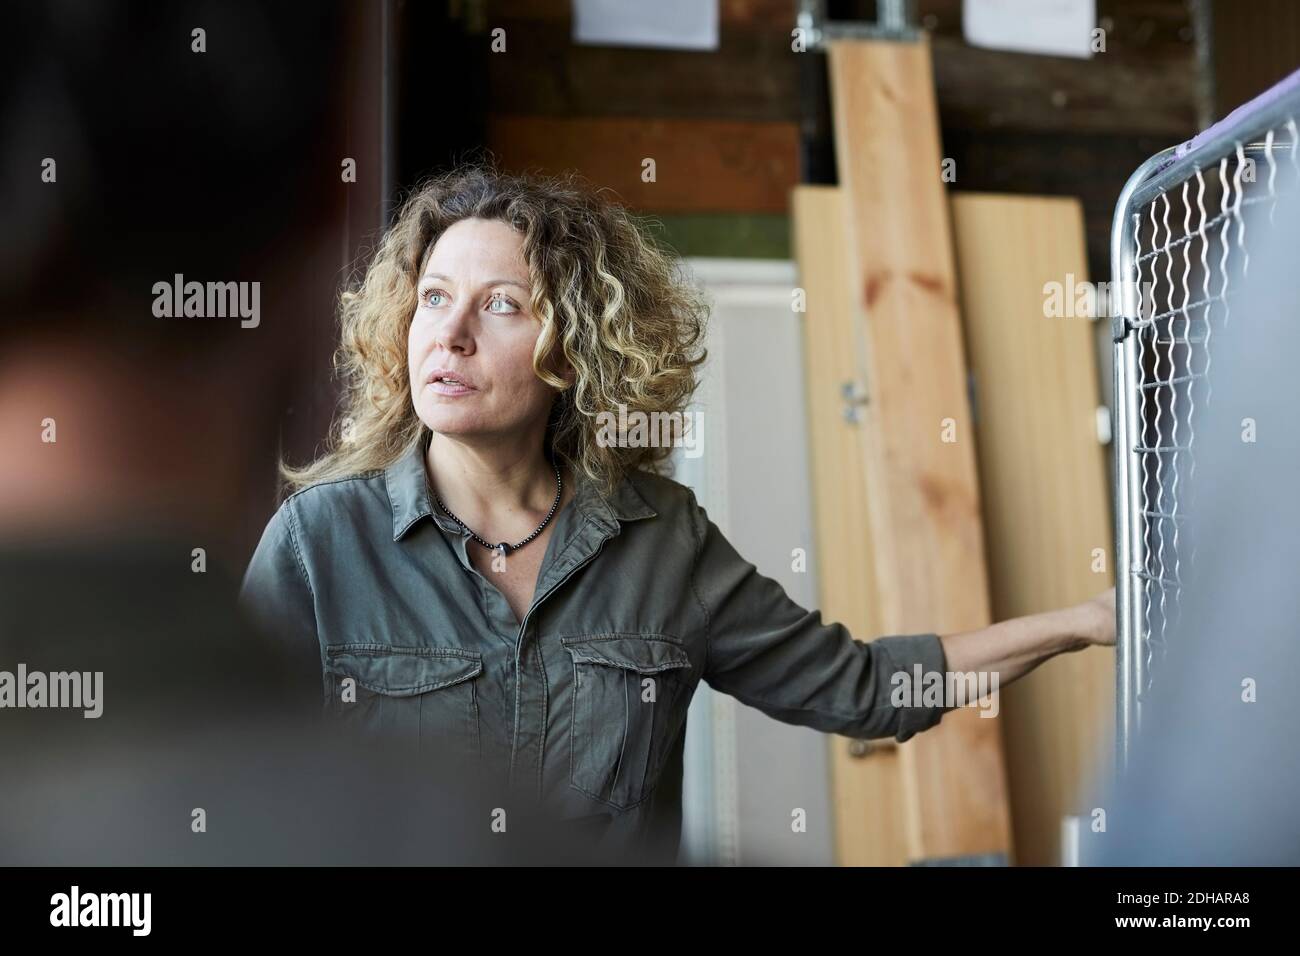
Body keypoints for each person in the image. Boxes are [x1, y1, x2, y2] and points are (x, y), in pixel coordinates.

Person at [239, 164, 1117, 864]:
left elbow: (866, 688)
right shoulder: (320, 545)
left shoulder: (663, 539)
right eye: (434, 297)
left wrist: (1083, 623)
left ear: (575, 349)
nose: (451, 331)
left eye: (500, 304)